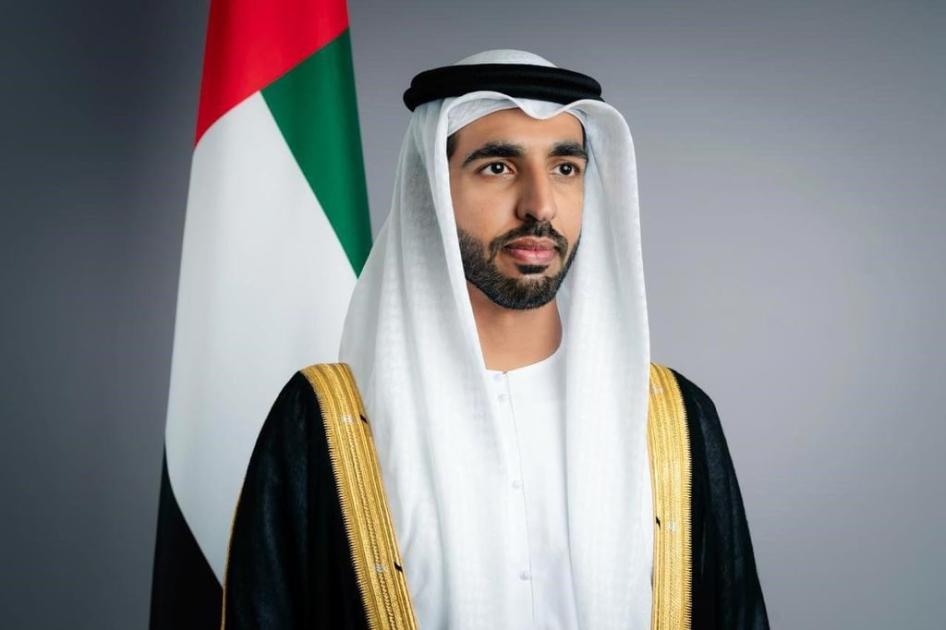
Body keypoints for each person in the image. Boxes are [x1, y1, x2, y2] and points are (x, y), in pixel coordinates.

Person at [221, 49, 769, 630]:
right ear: (432, 191)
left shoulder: (674, 419)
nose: (540, 205)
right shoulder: (324, 422)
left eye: (565, 168)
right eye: (498, 167)